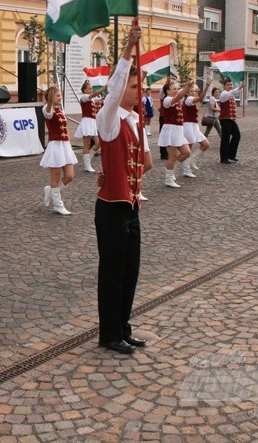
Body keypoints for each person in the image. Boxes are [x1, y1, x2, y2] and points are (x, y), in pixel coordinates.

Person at [95, 18, 146, 355]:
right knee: (113, 274)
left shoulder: (135, 120)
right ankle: (109, 333)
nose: (139, 93)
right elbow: (114, 89)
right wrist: (128, 48)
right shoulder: (109, 118)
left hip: (131, 207)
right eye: (134, 88)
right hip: (112, 209)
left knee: (130, 272)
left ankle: (123, 327)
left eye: (141, 88)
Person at [40, 84, 77, 215]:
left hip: (65, 145)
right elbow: (49, 112)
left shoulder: (60, 110)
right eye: (57, 95)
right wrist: (50, 97)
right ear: (50, 98)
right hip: (55, 145)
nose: (60, 98)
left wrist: (69, 143)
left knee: (70, 176)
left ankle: (50, 190)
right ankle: (57, 204)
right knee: (55, 177)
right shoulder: (47, 109)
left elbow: (65, 127)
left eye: (60, 95)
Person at [157, 77, 192, 187]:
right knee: (172, 156)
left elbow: (181, 95)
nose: (176, 90)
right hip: (170, 130)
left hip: (178, 130)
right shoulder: (167, 100)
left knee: (186, 152)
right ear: (168, 90)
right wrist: (186, 87)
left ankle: (170, 168)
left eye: (177, 88)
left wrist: (188, 86)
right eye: (174, 89)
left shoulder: (177, 100)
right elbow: (180, 95)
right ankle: (168, 178)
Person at [74, 79, 106, 172]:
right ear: (84, 90)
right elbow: (95, 95)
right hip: (87, 122)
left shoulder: (91, 99)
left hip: (92, 122)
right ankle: (87, 165)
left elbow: (99, 98)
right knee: (87, 144)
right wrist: (105, 87)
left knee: (98, 143)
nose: (91, 90)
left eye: (91, 88)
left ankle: (89, 159)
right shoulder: (84, 97)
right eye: (89, 89)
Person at [182, 83, 210, 174]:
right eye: (191, 91)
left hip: (194, 126)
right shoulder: (188, 99)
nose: (193, 92)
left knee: (205, 144)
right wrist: (206, 87)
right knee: (188, 148)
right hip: (188, 125)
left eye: (194, 91)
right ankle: (186, 169)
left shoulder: (190, 99)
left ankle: (193, 160)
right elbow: (200, 99)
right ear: (187, 93)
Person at [219, 78, 244, 163]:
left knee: (237, 135)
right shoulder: (224, 94)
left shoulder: (230, 94)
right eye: (228, 85)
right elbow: (231, 93)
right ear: (224, 86)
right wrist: (239, 87)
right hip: (225, 119)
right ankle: (224, 158)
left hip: (231, 119)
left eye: (231, 84)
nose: (230, 86)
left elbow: (233, 93)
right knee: (225, 139)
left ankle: (231, 155)